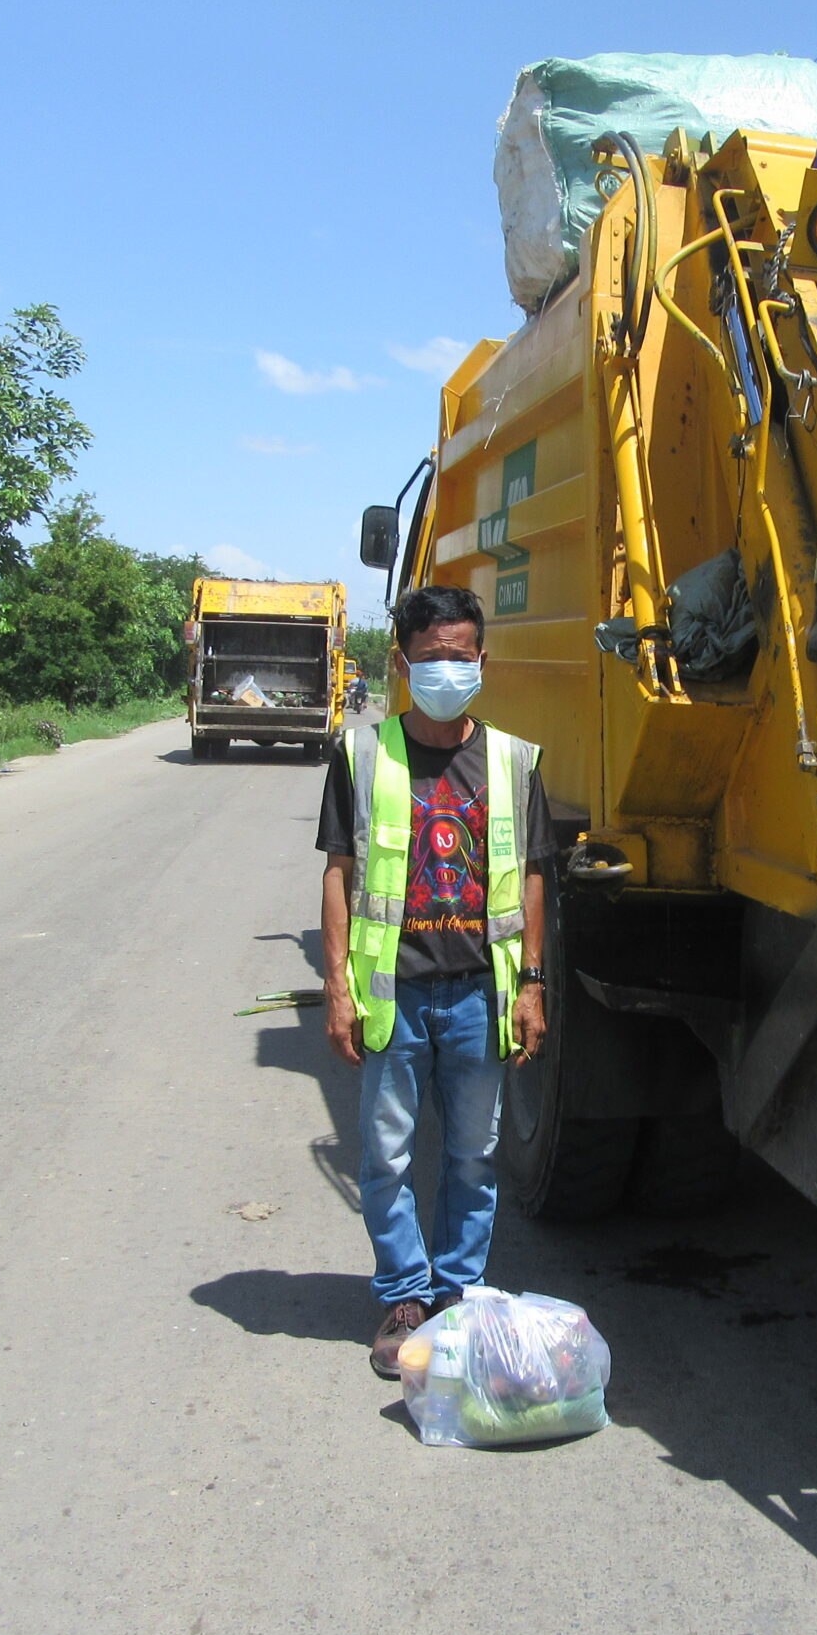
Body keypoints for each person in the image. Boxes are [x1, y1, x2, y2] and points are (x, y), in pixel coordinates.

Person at [315, 584, 556, 1378]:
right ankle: (405, 1296)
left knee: (472, 1156)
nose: (447, 670)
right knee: (384, 1156)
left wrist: (531, 986)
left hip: (479, 995)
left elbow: (531, 879)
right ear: (402, 662)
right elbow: (341, 874)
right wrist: (339, 989)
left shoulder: (515, 761)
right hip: (398, 994)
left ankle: (459, 1292)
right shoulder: (360, 753)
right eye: (431, 659)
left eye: (460, 658)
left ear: (482, 661)